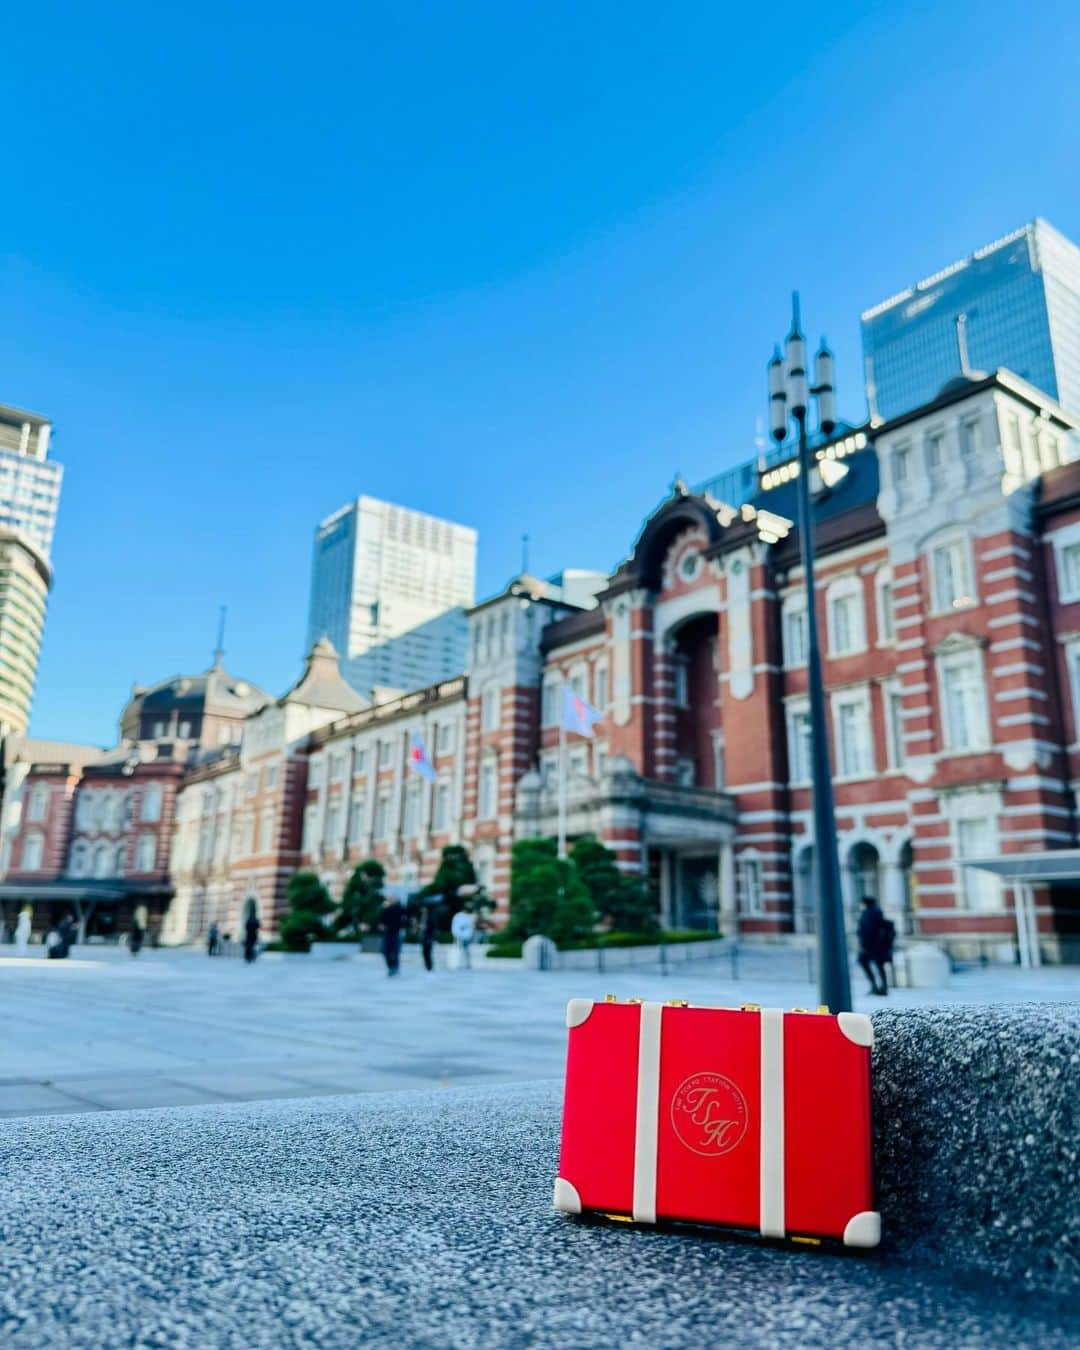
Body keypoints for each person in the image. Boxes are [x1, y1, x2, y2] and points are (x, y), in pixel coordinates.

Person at [857, 895, 888, 997]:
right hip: (878, 945)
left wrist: (864, 945)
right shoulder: (877, 912)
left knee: (864, 962)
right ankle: (882, 987)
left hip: (870, 945)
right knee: (879, 965)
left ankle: (875, 986)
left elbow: (868, 930)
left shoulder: (868, 913)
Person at [381, 894, 405, 977]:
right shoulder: (386, 909)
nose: (390, 900)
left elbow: (403, 918)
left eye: (392, 898)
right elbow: (382, 921)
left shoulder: (399, 908)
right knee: (386, 951)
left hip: (396, 933)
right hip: (388, 933)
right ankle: (391, 968)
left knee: (395, 952)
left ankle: (395, 968)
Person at [419, 894, 441, 974]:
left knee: (427, 952)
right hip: (424, 936)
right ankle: (428, 967)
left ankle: (429, 967)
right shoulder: (424, 916)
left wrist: (431, 937)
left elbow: (432, 928)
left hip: (428, 937)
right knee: (425, 952)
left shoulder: (431, 916)